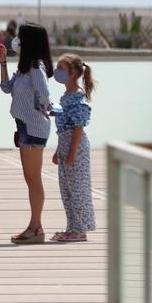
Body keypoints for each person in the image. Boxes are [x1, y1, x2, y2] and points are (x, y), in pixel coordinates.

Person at [0, 23, 54, 244]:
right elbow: (5, 87)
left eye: (20, 37)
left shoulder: (35, 66)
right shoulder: (23, 67)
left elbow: (44, 93)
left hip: (33, 127)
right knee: (30, 178)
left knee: (33, 179)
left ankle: (36, 227)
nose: (16, 40)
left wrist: (43, 109)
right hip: (24, 126)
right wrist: (2, 62)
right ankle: (34, 226)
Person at [50, 53, 97, 242]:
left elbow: (78, 127)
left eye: (61, 68)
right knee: (66, 189)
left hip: (75, 146)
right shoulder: (65, 96)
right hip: (65, 143)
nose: (57, 72)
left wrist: (71, 153)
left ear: (72, 73)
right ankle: (72, 227)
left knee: (78, 189)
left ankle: (79, 230)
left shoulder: (78, 96)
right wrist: (58, 151)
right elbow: (64, 125)